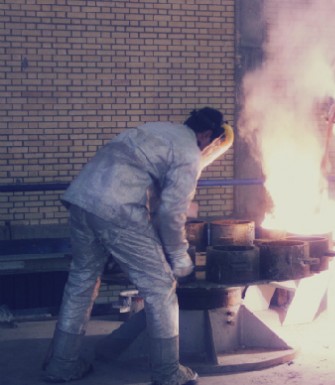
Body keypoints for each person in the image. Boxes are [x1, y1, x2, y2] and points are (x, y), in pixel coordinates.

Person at [42, 107, 234, 385]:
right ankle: (168, 372)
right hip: (118, 209)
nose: (209, 148)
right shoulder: (189, 152)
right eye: (211, 142)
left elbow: (154, 192)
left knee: (82, 281)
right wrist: (179, 255)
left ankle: (61, 364)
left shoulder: (158, 130)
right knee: (160, 288)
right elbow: (170, 213)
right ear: (205, 134)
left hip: (82, 199)